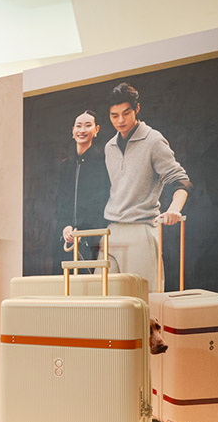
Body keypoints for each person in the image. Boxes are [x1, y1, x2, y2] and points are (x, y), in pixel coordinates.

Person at [102, 83, 192, 292]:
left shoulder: (153, 140)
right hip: (111, 230)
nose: (120, 120)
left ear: (137, 109)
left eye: (126, 113)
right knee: (105, 300)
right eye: (114, 115)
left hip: (141, 229)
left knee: (144, 299)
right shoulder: (109, 147)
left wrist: (174, 209)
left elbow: (180, 180)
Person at [54, 110, 110, 272]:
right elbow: (61, 201)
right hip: (67, 236)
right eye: (78, 126)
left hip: (92, 237)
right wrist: (65, 226)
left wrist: (83, 229)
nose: (82, 130)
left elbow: (102, 201)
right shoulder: (66, 165)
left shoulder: (103, 163)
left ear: (96, 129)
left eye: (88, 125)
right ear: (73, 130)